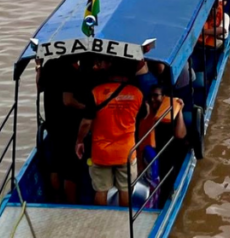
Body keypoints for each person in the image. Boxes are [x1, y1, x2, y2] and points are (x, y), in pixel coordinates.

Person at [76, 60, 148, 206]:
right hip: (126, 152)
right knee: (126, 189)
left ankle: (101, 220)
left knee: (101, 190)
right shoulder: (137, 93)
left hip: (102, 152)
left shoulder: (96, 93)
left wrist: (79, 141)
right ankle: (123, 222)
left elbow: (86, 123)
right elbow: (144, 114)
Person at [37, 56, 91, 204]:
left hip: (52, 123)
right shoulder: (69, 71)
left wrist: (38, 67)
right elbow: (67, 101)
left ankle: (57, 198)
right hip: (68, 126)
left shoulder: (49, 65)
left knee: (55, 164)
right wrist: (86, 107)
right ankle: (71, 204)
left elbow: (39, 86)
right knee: (70, 170)